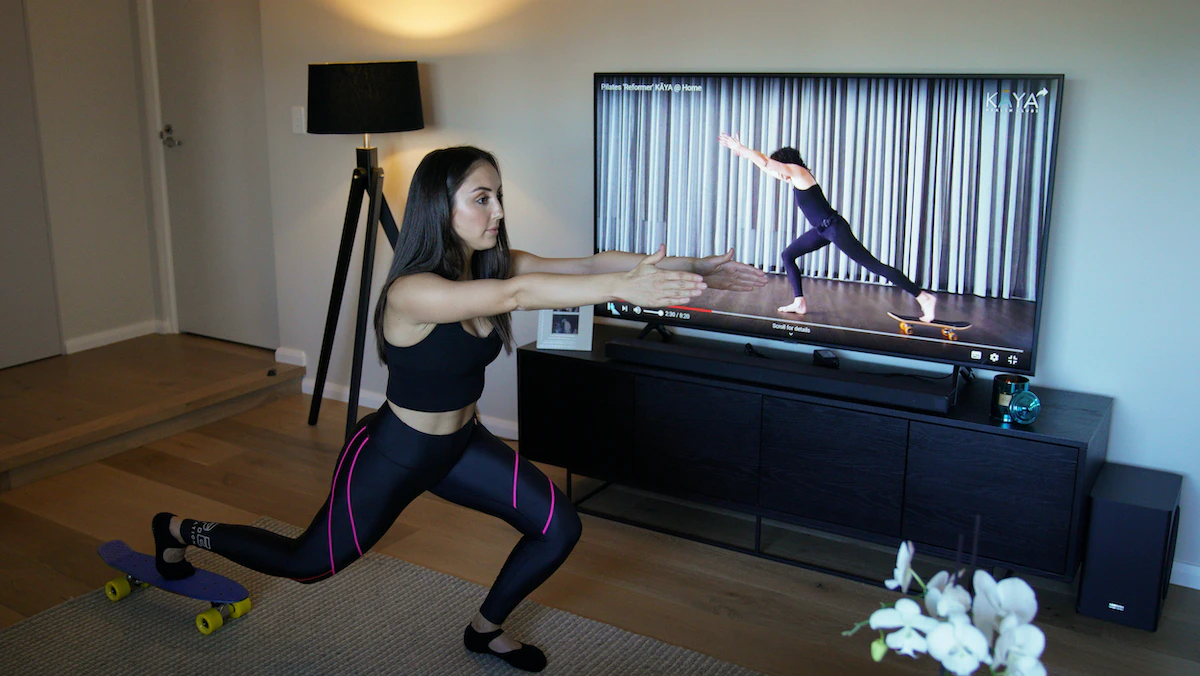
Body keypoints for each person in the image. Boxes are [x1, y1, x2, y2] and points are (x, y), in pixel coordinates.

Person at [149, 146, 767, 672]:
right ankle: (177, 530)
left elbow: (587, 262)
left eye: (498, 197)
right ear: (438, 206)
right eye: (481, 198)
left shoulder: (491, 266)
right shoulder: (412, 291)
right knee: (306, 564)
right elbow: (518, 295)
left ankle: (484, 629)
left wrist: (697, 267)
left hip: (460, 446)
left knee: (559, 527)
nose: (498, 211)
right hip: (395, 452)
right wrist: (620, 290)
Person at [718, 133, 937, 322]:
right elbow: (765, 165)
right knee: (788, 255)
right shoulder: (792, 177)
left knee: (875, 266)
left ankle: (923, 297)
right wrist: (745, 154)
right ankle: (799, 302)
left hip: (835, 228)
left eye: (779, 168)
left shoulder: (799, 173)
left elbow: (767, 163)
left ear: (787, 163)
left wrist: (744, 150)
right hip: (822, 231)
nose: (779, 175)